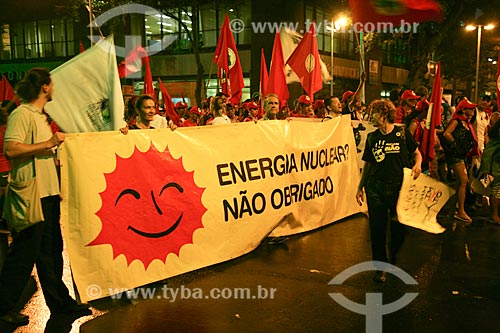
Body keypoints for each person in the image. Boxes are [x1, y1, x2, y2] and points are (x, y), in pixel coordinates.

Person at [0, 68, 91, 326]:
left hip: (47, 195)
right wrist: (48, 143)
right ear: (44, 87)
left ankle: (61, 305)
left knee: (50, 253)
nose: (55, 88)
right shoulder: (22, 114)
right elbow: (12, 148)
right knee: (23, 255)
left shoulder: (41, 117)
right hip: (33, 196)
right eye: (52, 84)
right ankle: (3, 308)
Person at [356, 100, 422, 283]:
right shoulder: (372, 138)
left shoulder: (402, 134)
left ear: (383, 114)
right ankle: (381, 267)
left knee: (398, 227)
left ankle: (394, 256)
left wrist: (417, 165)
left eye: (373, 113)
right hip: (375, 188)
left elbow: (417, 153)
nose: (371, 118)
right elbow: (368, 164)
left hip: (397, 187)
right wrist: (360, 187)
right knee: (377, 229)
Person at [441, 99, 479, 224]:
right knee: (463, 181)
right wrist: (455, 144)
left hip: (461, 155)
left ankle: (453, 211)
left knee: (459, 183)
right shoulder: (457, 121)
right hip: (456, 156)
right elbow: (446, 133)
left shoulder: (465, 123)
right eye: (470, 108)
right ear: (463, 110)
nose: (473, 111)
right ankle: (461, 211)